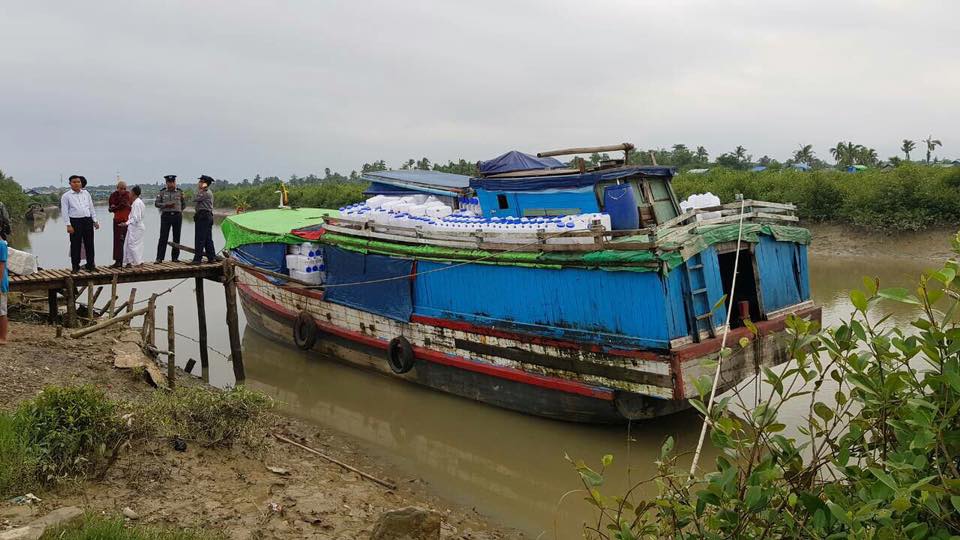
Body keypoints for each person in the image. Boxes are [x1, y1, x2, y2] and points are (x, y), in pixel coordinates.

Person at [60, 174, 99, 273]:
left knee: (89, 244)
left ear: (81, 183)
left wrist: (95, 221)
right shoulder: (66, 196)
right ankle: (75, 267)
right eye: (74, 182)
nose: (76, 184)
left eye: (78, 182)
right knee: (75, 244)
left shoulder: (86, 193)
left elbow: (91, 208)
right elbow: (64, 212)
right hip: (75, 222)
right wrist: (68, 225)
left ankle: (91, 265)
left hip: (87, 220)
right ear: (70, 184)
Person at [155, 174, 185, 263]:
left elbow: (183, 204)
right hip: (166, 216)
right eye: (169, 182)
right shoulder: (162, 192)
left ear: (175, 182)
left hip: (177, 216)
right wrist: (165, 205)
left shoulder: (180, 192)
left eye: (173, 182)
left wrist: (178, 210)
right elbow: (156, 204)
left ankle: (175, 257)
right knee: (163, 237)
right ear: (166, 183)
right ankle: (159, 258)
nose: (171, 184)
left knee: (176, 237)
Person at [191, 175, 217, 264]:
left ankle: (197, 259)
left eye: (201, 182)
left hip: (203, 217)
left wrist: (198, 189)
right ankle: (211, 257)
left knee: (200, 238)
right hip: (206, 216)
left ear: (205, 183)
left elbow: (194, 198)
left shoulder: (204, 192)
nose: (199, 183)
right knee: (207, 238)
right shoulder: (206, 192)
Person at [107, 180, 132, 268]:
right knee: (117, 241)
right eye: (121, 189)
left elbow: (123, 204)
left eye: (124, 189)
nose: (123, 190)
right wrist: (113, 207)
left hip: (126, 222)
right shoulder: (114, 195)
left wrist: (114, 207)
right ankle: (118, 261)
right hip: (117, 220)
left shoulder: (128, 195)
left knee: (126, 241)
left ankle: (128, 261)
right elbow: (110, 207)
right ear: (117, 188)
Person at [121, 186, 146, 267]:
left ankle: (138, 262)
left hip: (136, 227)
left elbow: (136, 218)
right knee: (129, 244)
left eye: (130, 192)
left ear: (133, 193)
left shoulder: (137, 203)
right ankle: (129, 262)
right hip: (135, 227)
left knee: (133, 245)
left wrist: (126, 223)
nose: (129, 194)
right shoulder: (138, 202)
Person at [0, 236, 8, 344]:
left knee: (1, 311)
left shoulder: (1, 244)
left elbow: (1, 267)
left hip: (1, 282)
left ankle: (2, 337)